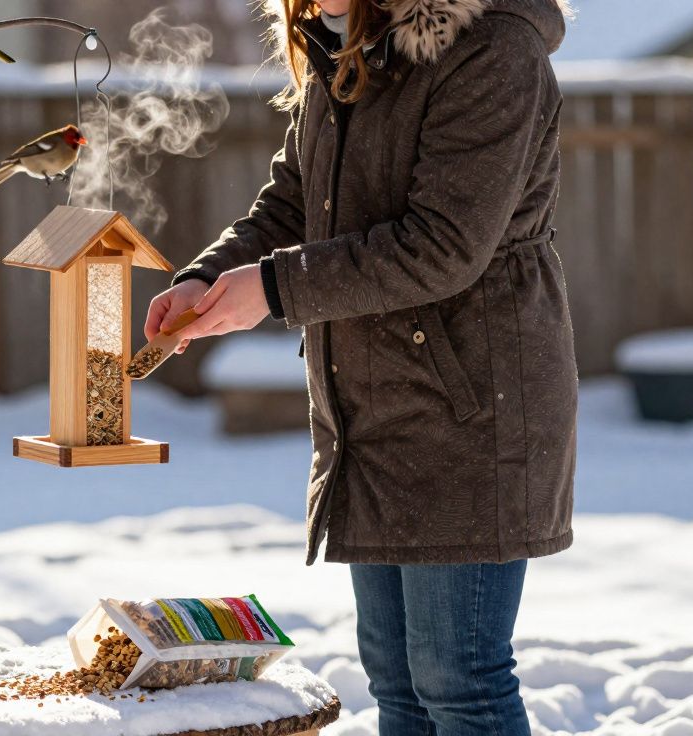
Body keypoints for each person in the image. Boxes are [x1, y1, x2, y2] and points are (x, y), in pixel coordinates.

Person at [145, 0, 577, 733]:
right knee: (397, 682)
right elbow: (295, 201)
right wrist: (211, 274)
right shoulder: (347, 46)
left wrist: (274, 289)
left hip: (471, 410)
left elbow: (443, 244)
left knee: (458, 679)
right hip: (369, 415)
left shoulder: (493, 49)